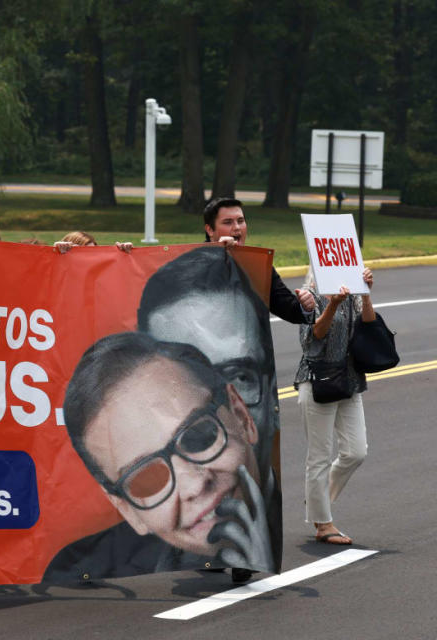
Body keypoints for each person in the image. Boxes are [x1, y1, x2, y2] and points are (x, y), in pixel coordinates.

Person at [43, 332, 278, 583]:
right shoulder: (78, 575)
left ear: (242, 416)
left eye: (198, 436)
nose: (194, 485)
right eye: (148, 478)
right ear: (127, 510)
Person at [137, 245, 280, 583]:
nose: (224, 416)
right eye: (187, 382)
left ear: (270, 388)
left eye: (240, 377)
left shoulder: (273, 519)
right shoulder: (103, 552)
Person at [294, 267, 375, 546]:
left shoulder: (352, 296)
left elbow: (369, 325)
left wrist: (364, 295)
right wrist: (332, 306)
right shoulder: (309, 297)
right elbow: (312, 338)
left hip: (349, 381)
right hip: (317, 381)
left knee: (356, 451)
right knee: (319, 455)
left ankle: (318, 500)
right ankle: (323, 524)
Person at [202, 196, 315, 323]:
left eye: (240, 221)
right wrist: (217, 254)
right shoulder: (194, 262)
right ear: (210, 230)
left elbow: (286, 307)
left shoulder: (258, 264)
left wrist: (305, 306)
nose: (237, 227)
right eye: (228, 222)